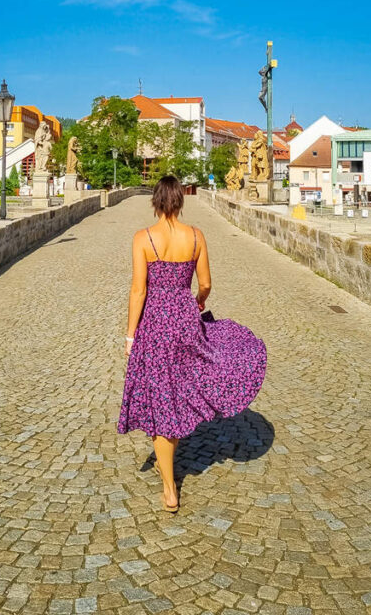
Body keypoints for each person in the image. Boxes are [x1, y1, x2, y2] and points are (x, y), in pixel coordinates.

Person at [117, 175, 267, 513]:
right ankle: (169, 463)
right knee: (181, 389)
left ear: (155, 201)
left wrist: (130, 335)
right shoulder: (196, 236)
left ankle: (170, 487)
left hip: (155, 323)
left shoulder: (143, 238)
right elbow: (206, 284)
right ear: (180, 202)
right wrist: (197, 302)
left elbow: (138, 290)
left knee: (161, 397)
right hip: (185, 320)